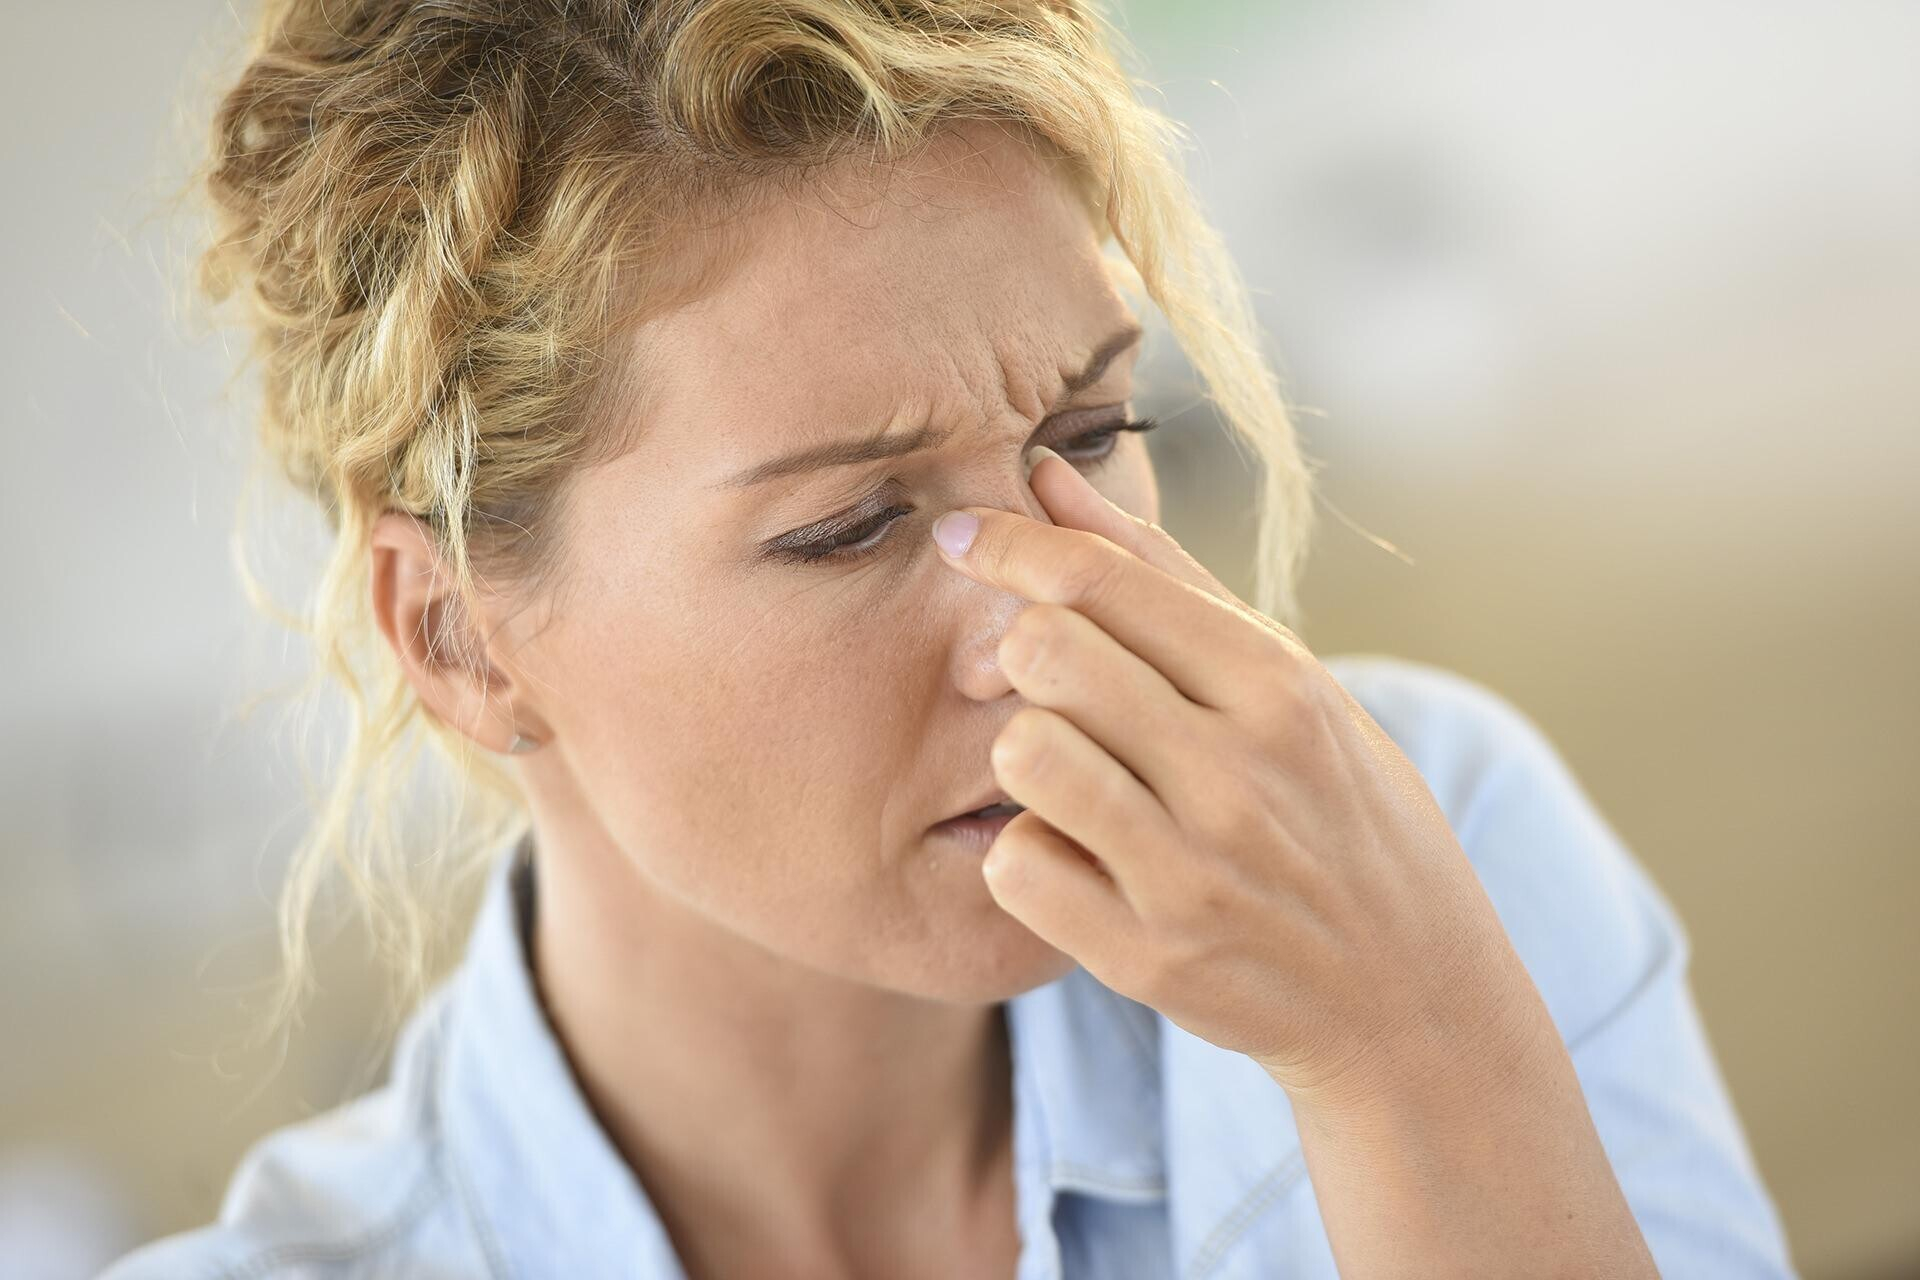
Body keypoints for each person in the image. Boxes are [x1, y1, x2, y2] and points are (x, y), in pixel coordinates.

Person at [104, 0, 1797, 1276]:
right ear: (458, 637)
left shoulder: (1418, 843)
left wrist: (1413, 1056)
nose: (1048, 621)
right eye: (849, 524)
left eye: (1090, 434)